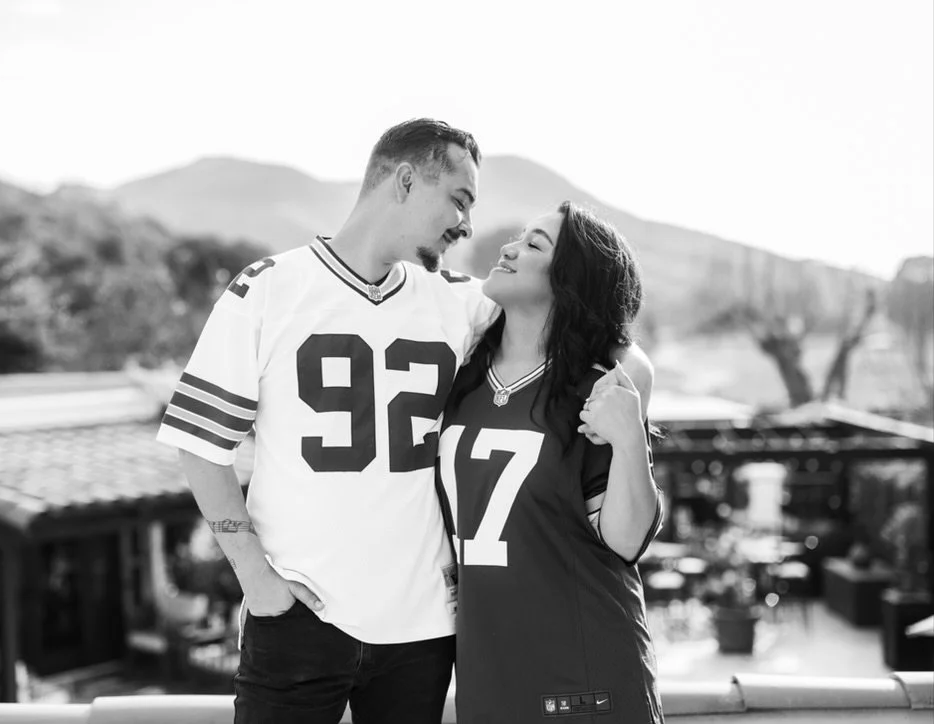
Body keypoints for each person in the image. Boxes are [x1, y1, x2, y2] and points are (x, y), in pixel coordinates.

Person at [156, 118, 653, 723]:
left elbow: (592, 326)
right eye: (459, 200)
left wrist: (631, 405)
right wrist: (255, 578)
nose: (467, 224)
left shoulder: (460, 301)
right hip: (300, 617)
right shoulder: (268, 290)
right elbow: (200, 446)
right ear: (407, 180)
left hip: (423, 631)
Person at [437, 202, 664, 724]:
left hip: (585, 681)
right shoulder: (463, 378)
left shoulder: (598, 393)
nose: (509, 248)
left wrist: (630, 440)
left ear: (571, 282)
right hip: (487, 677)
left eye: (534, 244)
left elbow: (626, 542)